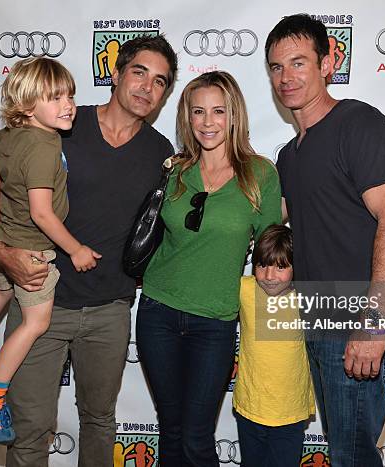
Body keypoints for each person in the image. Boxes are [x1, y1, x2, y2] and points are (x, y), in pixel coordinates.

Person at [0, 35, 178, 466]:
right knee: (30, 430)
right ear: (117, 73)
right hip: (43, 301)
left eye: (159, 81)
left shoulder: (161, 152)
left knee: (100, 422)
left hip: (110, 310)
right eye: (139, 72)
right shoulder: (59, 123)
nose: (146, 87)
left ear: (165, 93)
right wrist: (0, 250)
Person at [265, 14, 385, 467]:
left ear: (328, 63)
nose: (286, 77)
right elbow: (267, 221)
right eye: (276, 67)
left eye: (298, 63)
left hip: (359, 322)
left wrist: (371, 323)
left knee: (351, 456)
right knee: (344, 449)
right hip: (318, 321)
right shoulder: (289, 155)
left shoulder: (359, 124)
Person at [136, 70, 282, 467]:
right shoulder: (173, 170)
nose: (207, 122)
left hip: (215, 322)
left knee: (198, 439)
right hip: (157, 312)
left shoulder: (261, 175)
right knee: (171, 431)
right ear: (187, 117)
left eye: (218, 111)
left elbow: (273, 247)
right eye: (198, 111)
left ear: (233, 116)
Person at [0, 57, 100, 445]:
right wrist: (75, 250)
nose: (67, 104)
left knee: (3, 290)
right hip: (33, 252)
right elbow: (42, 214)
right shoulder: (42, 147)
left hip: (6, 239)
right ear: (27, 106)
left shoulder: (16, 134)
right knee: (35, 323)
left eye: (69, 95)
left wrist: (10, 133)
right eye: (54, 98)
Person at [233, 224, 315, 467]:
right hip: (250, 407)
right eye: (262, 265)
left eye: (281, 267)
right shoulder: (244, 289)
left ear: (295, 267)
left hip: (290, 412)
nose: (269, 276)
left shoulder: (307, 296)